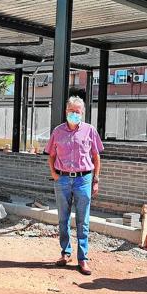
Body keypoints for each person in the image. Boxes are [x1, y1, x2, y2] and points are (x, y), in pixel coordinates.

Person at [44, 96, 103, 275]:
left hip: (83, 179)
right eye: (72, 111)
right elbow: (51, 155)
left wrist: (96, 179)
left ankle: (83, 258)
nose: (74, 114)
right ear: (66, 112)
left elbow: (96, 157)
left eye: (78, 112)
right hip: (62, 179)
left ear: (82, 113)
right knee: (63, 218)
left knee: (82, 220)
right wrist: (54, 174)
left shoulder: (89, 131)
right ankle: (66, 252)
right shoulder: (58, 131)